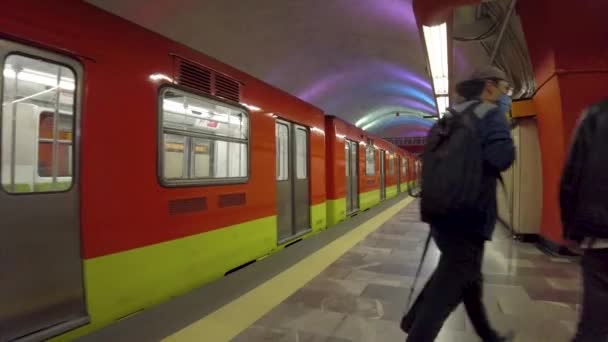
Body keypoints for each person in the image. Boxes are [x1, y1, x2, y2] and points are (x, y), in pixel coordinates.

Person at [401, 66, 515, 342]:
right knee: (450, 286)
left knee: (467, 277)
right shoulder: (490, 115)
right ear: (489, 86)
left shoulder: (448, 118)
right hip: (470, 217)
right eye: (503, 88)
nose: (504, 94)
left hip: (442, 215)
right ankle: (416, 329)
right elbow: (502, 158)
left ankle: (489, 336)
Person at [559, 99, 608, 342]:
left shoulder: (596, 115)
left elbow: (571, 178)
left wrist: (571, 230)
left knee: (594, 325)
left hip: (601, 238)